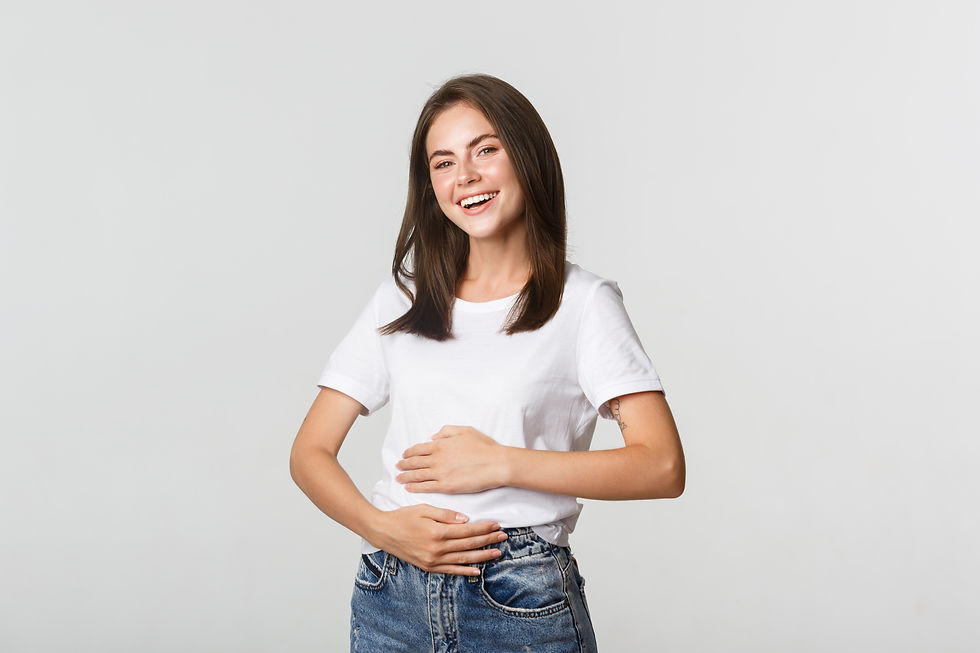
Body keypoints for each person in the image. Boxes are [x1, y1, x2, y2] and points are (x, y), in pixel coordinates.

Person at [289, 73, 685, 652]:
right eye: (442, 162)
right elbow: (309, 452)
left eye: (486, 150)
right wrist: (383, 529)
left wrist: (500, 463)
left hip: (519, 597)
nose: (465, 176)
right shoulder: (402, 300)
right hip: (390, 596)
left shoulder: (584, 305)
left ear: (526, 157)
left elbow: (661, 467)